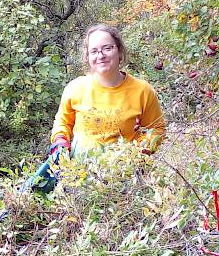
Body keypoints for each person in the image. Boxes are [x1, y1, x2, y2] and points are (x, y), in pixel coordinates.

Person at [49, 24, 166, 158]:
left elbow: (157, 129)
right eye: (94, 51)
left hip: (125, 173)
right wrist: (60, 142)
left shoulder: (142, 91)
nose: (101, 55)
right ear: (87, 56)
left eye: (107, 48)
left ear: (119, 51)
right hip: (79, 173)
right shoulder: (75, 88)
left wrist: (140, 151)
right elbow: (62, 122)